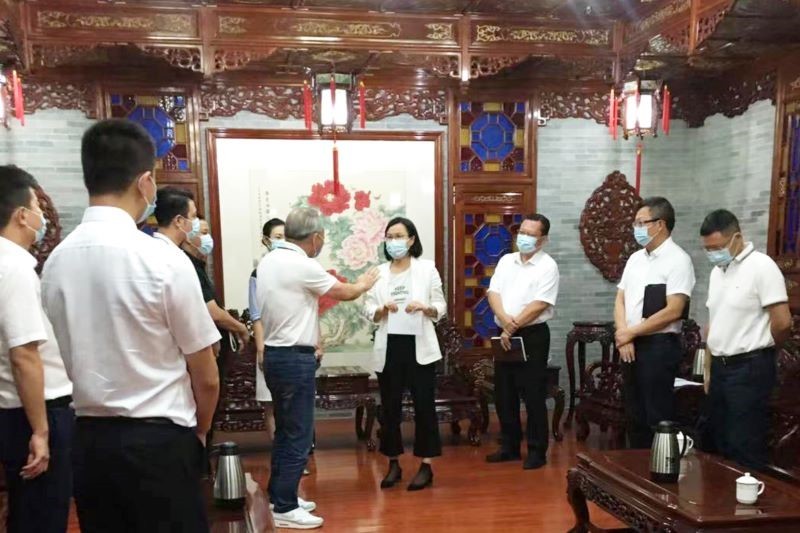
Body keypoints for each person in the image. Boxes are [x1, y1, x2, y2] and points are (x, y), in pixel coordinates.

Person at [41, 119, 221, 531]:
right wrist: (200, 431)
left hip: (89, 442)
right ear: (145, 182)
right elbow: (206, 374)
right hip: (159, 442)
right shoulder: (162, 258)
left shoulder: (56, 262)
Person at [257, 207, 378, 529]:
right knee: (298, 434)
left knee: (286, 431)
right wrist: (364, 282)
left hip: (275, 355)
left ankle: (279, 496)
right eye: (322, 238)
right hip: (293, 358)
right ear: (315, 237)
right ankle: (285, 507)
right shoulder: (301, 264)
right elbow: (346, 292)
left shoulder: (270, 260)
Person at [0, 165, 73, 533]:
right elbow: (24, 355)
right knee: (42, 516)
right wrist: (41, 432)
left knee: (27, 513)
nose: (41, 217)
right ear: (21, 215)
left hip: (15, 410)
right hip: (35, 412)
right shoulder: (14, 268)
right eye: (37, 208)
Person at [700, 209, 792, 469]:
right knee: (716, 441)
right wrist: (708, 368)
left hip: (749, 368)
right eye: (707, 249)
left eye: (717, 247)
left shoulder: (762, 266)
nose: (713, 254)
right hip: (720, 367)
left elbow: (783, 322)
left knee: (744, 444)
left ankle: (749, 495)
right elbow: (715, 323)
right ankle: (720, 495)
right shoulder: (718, 272)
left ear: (737, 238)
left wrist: (764, 351)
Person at [363, 217, 446, 491]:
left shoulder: (427, 269)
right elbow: (367, 309)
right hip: (390, 347)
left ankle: (426, 465)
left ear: (411, 239)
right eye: (389, 237)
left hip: (419, 346)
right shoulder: (378, 273)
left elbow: (440, 305)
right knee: (390, 408)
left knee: (424, 407)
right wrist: (380, 310)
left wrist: (426, 308)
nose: (393, 241)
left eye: (399, 236)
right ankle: (393, 463)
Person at [614, 197, 695, 449]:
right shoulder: (635, 259)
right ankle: (635, 466)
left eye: (641, 223)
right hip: (630, 343)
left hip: (659, 345)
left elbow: (674, 310)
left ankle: (659, 466)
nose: (636, 228)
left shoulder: (678, 260)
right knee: (633, 413)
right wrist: (623, 334)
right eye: (635, 223)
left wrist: (631, 333)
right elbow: (620, 299)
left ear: (660, 224)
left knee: (656, 414)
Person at [485, 214, 560, 470]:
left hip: (532, 335)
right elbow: (493, 292)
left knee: (533, 393)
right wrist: (506, 324)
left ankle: (537, 451)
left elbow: (541, 303)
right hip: (505, 333)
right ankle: (509, 446)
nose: (524, 237)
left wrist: (512, 326)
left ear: (543, 239)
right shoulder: (507, 261)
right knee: (504, 393)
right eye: (522, 232)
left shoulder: (548, 266)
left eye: (531, 234)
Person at [158, 200, 249, 353]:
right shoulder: (187, 265)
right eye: (204, 233)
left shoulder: (198, 265)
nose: (209, 238)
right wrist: (241, 328)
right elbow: (212, 312)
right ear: (188, 237)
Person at [249, 218, 285, 422]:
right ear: (266, 240)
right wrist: (261, 350)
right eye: (278, 237)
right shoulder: (258, 273)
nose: (283, 241)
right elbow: (256, 315)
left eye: (286, 237)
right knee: (270, 403)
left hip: (292, 346)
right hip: (268, 345)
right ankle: (276, 442)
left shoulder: (296, 269)